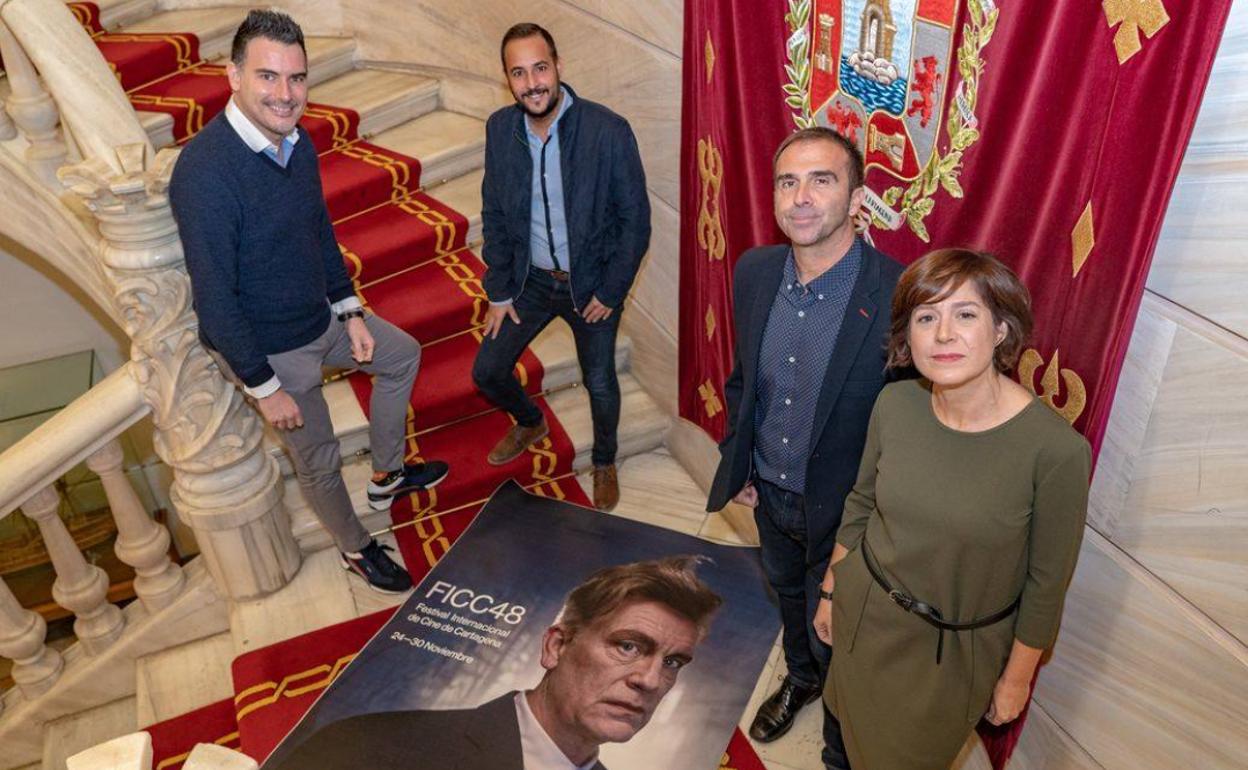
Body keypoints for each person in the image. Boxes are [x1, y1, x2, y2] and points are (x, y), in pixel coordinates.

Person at [168, 10, 449, 594]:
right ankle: (356, 548)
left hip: (320, 318)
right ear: (233, 76)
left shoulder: (294, 141)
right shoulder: (204, 173)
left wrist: (349, 310)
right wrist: (264, 387)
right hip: (273, 350)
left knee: (401, 355)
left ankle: (386, 474)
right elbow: (214, 300)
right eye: (268, 76)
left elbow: (317, 229)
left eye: (296, 78)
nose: (286, 93)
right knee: (318, 460)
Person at [814, 249, 1091, 769]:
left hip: (951, 655)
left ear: (1001, 329)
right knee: (839, 744)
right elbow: (861, 503)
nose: (943, 334)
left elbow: (1046, 585)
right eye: (926, 317)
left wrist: (1016, 679)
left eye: (965, 314)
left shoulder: (1056, 452)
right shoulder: (895, 405)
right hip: (863, 615)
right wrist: (832, 591)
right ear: (908, 335)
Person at [706, 127, 903, 768]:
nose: (802, 198)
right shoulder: (755, 271)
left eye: (822, 180)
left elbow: (903, 430)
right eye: (788, 182)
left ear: (857, 199)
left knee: (843, 633)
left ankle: (841, 744)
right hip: (770, 491)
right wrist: (741, 459)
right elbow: (744, 379)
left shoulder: (898, 294)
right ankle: (800, 677)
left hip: (848, 515)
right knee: (788, 595)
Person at [262, 556, 723, 770]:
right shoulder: (375, 748)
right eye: (628, 646)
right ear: (556, 646)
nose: (650, 679)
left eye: (673, 662)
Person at [471, 22, 651, 512]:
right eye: (519, 73)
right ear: (507, 79)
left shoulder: (607, 131)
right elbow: (494, 212)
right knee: (488, 371)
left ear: (558, 67)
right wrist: (499, 290)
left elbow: (635, 222)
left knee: (600, 382)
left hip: (591, 285)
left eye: (540, 68)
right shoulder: (500, 130)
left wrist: (611, 292)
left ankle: (605, 460)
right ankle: (531, 422)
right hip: (529, 282)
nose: (532, 83)